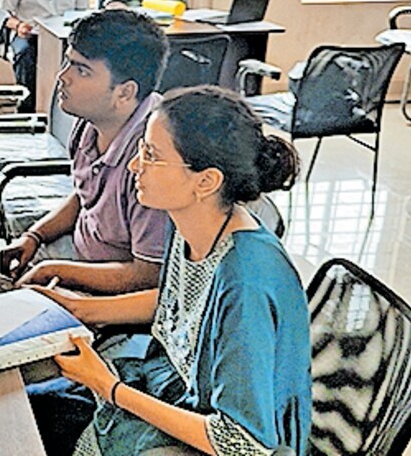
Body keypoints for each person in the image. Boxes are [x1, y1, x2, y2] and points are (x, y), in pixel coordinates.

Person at [43, 85, 311, 455]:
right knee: (37, 407)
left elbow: (241, 442)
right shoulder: (188, 219)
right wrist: (79, 309)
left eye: (151, 155)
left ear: (206, 181)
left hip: (222, 439)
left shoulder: (246, 280)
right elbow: (182, 301)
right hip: (177, 391)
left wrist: (109, 388)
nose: (135, 165)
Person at [0, 9, 171, 453]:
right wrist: (35, 237)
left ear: (125, 92)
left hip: (114, 292)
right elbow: (83, 194)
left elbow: (147, 275)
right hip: (80, 257)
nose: (63, 77)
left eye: (81, 70)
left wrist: (57, 271)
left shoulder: (152, 161)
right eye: (68, 63)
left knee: (2, 372)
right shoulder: (92, 125)